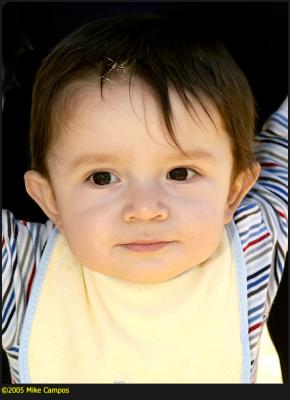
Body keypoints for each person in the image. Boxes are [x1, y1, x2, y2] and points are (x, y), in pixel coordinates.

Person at [2, 14, 288, 384]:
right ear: (51, 199)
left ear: (234, 191)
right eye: (102, 178)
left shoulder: (252, 247)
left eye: (180, 173)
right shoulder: (24, 272)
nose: (145, 209)